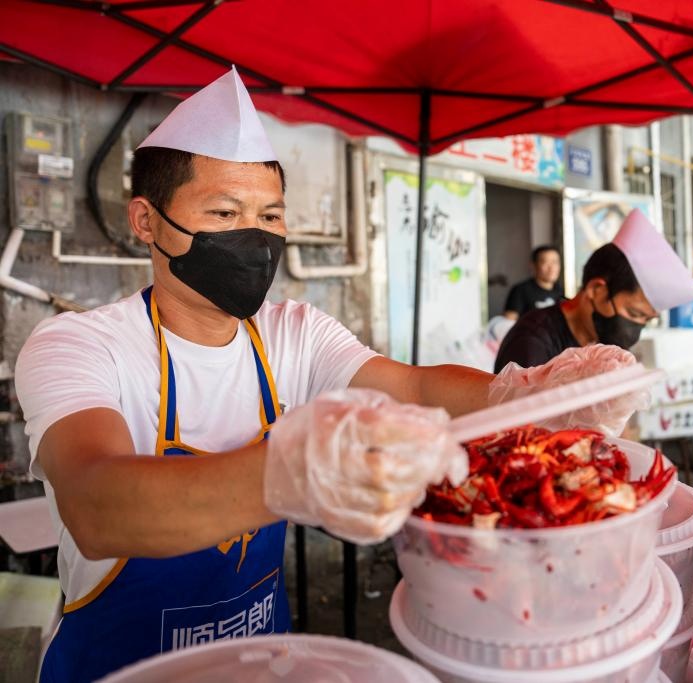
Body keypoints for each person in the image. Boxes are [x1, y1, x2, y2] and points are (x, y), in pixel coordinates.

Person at [15, 69, 639, 681]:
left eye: (271, 215)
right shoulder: (80, 345)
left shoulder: (295, 333)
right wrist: (289, 472)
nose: (255, 237)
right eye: (226, 213)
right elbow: (97, 505)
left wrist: (529, 394)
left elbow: (416, 390)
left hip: (262, 664)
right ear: (147, 222)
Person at [494, 209, 693, 371]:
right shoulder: (533, 341)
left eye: (646, 320)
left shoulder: (603, 344)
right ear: (596, 289)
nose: (635, 329)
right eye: (634, 313)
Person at [503, 245, 564, 320]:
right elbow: (508, 322)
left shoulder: (559, 290)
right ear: (534, 265)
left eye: (555, 262)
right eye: (545, 262)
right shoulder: (520, 290)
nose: (551, 267)